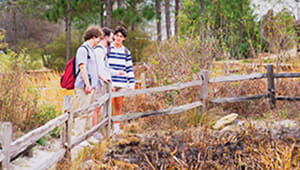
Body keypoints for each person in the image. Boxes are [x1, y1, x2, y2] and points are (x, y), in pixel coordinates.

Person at [74, 25, 103, 136]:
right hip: (84, 86)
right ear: (94, 37)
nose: (99, 41)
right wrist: (87, 84)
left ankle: (87, 135)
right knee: (82, 112)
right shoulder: (83, 49)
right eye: (99, 38)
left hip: (92, 86)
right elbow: (82, 67)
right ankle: (79, 136)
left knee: (89, 112)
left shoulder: (91, 50)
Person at [108, 26, 135, 134]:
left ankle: (116, 128)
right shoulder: (108, 49)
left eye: (121, 36)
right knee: (107, 105)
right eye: (117, 36)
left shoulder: (126, 52)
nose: (118, 38)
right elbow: (104, 67)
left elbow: (129, 69)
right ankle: (106, 128)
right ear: (114, 36)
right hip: (110, 83)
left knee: (118, 105)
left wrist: (131, 83)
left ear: (124, 38)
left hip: (122, 83)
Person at [92, 27, 114, 129]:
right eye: (111, 38)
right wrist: (104, 79)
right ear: (106, 37)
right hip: (98, 83)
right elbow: (99, 68)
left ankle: (96, 129)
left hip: (102, 82)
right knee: (95, 108)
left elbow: (106, 68)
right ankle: (93, 131)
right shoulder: (99, 51)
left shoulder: (103, 50)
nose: (112, 40)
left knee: (99, 107)